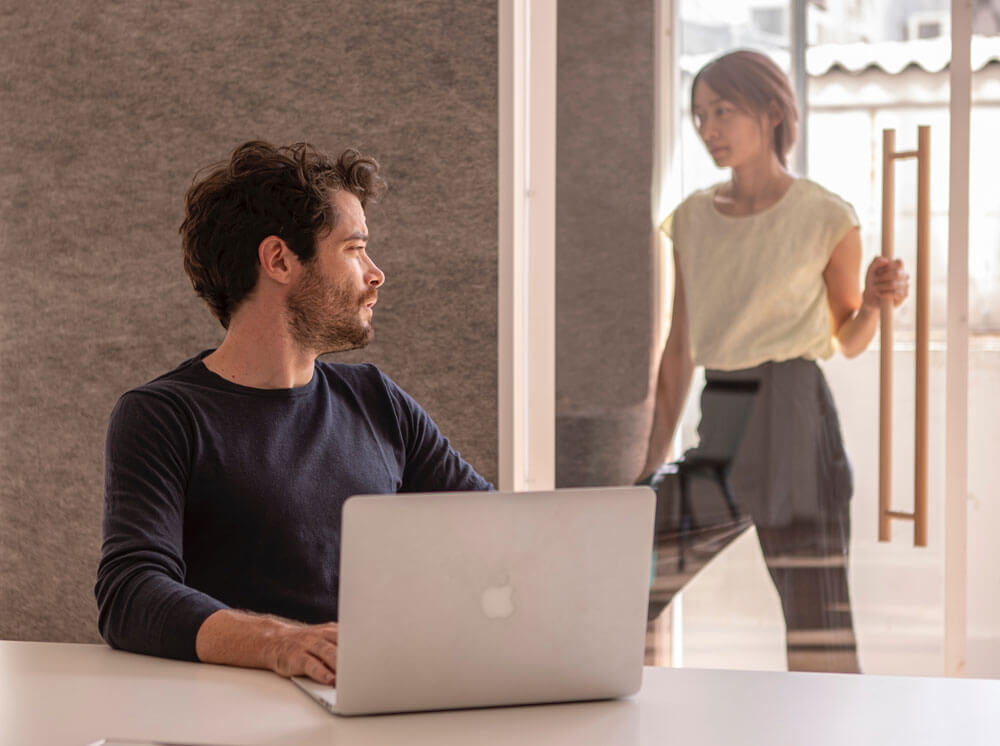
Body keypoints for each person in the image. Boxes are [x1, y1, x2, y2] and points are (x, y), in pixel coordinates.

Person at [95, 141, 491, 686]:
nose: (376, 274)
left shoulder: (378, 399)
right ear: (279, 259)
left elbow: (495, 534)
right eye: (354, 249)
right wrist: (282, 644)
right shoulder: (164, 416)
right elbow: (131, 594)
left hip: (374, 697)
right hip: (235, 713)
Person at [637, 50, 909, 673]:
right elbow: (679, 345)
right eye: (699, 114)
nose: (708, 128)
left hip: (797, 416)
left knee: (819, 629)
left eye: (723, 111)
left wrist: (872, 303)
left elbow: (849, 338)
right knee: (626, 573)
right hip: (724, 415)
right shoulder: (692, 221)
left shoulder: (826, 215)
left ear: (772, 111)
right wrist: (651, 465)